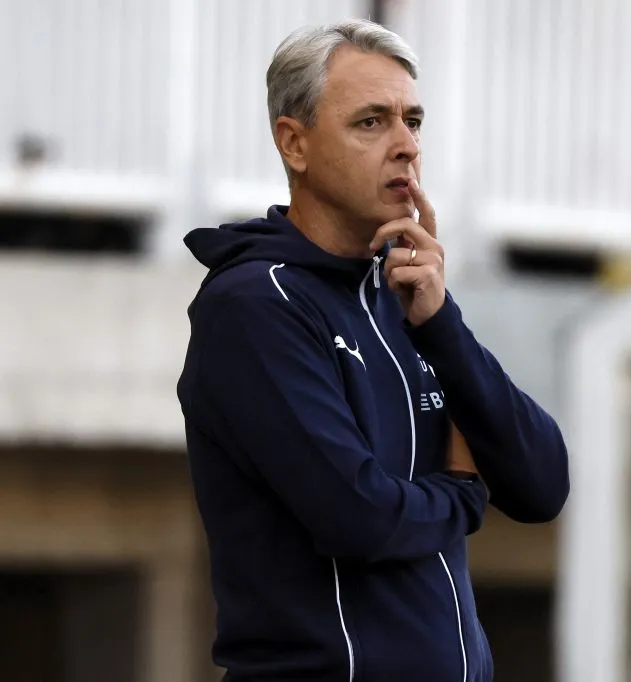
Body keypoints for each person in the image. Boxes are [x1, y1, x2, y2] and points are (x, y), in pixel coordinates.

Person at [176, 19, 570, 682]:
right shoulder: (255, 307)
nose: (407, 147)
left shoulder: (406, 300)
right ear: (293, 144)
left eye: (414, 121)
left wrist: (441, 325)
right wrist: (463, 494)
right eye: (372, 122)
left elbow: (542, 485)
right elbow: (358, 516)